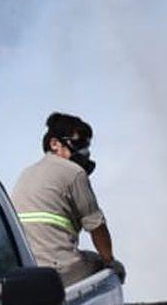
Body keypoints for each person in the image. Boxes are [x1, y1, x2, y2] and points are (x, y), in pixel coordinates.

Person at [11, 112, 122, 285]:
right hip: (58, 270)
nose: (84, 150)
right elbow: (97, 226)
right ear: (54, 144)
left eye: (86, 144)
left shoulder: (26, 173)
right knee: (104, 267)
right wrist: (110, 262)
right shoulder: (74, 172)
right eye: (79, 142)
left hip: (26, 271)